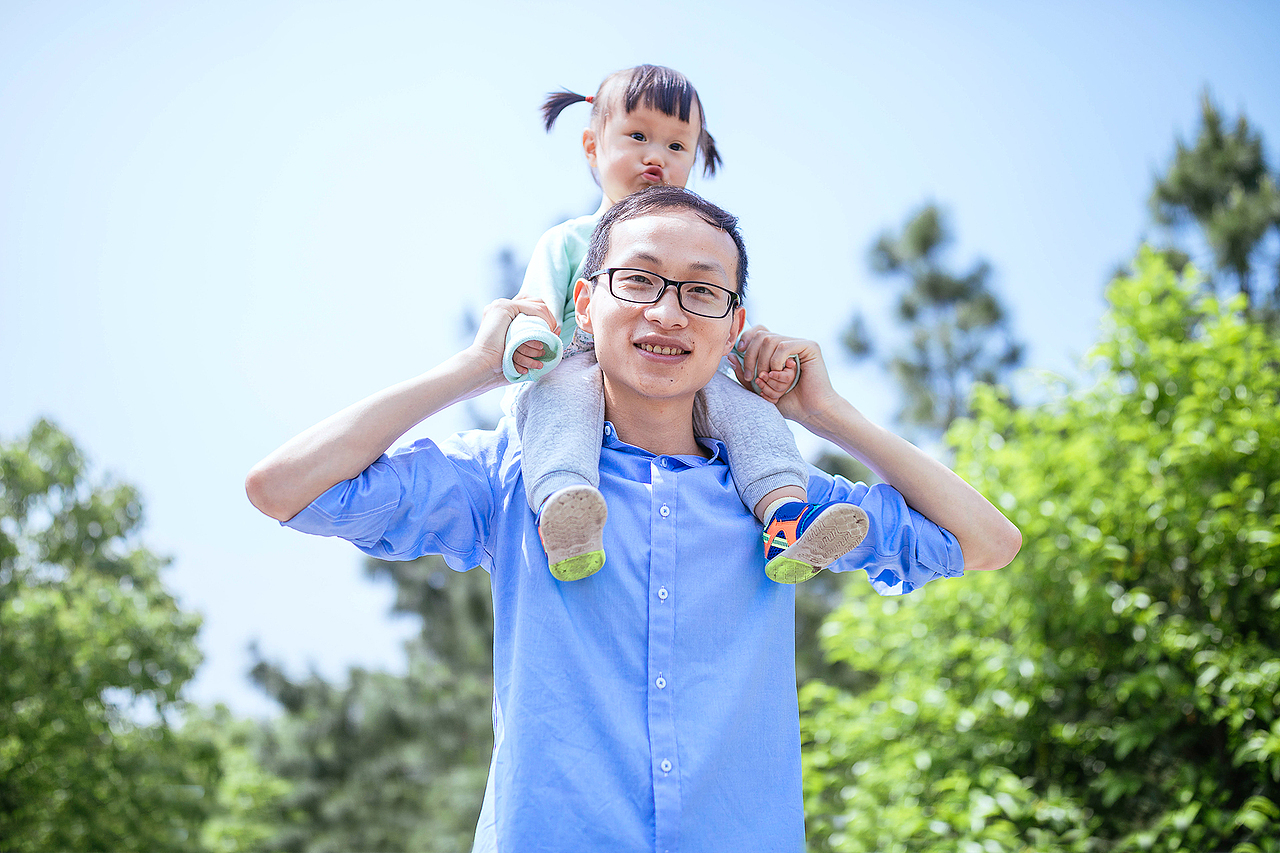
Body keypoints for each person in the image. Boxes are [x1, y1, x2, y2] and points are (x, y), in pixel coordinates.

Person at [245, 186, 1022, 852]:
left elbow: (988, 543)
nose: (668, 312)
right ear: (585, 302)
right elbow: (285, 488)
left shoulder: (786, 507)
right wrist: (474, 368)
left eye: (700, 291)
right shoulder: (514, 481)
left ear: (732, 323)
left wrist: (830, 415)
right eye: (639, 280)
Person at [503, 64, 868, 584]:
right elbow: (533, 308)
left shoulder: (704, 246)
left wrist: (758, 367)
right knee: (560, 398)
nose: (657, 155)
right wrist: (530, 345)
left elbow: (711, 333)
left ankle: (786, 516)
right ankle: (566, 511)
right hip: (579, 367)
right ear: (591, 146)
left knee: (750, 415)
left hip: (678, 383)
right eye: (637, 136)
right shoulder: (568, 240)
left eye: (678, 146)